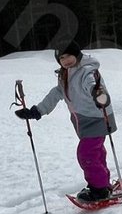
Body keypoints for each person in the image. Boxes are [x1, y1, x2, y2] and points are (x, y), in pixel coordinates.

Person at [15, 43, 116, 202]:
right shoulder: (66, 73)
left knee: (86, 154)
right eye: (61, 57)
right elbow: (57, 93)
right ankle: (102, 183)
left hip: (97, 117)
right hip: (83, 120)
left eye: (69, 55)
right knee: (95, 152)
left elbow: (91, 84)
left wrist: (98, 94)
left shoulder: (86, 71)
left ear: (77, 54)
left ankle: (100, 190)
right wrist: (37, 111)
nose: (66, 60)